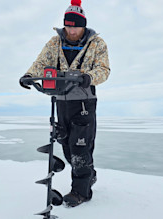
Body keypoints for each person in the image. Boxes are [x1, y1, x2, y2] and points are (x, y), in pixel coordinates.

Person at [19, 0, 110, 207]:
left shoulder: (96, 43)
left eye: (75, 26)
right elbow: (41, 62)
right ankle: (89, 175)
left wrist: (89, 77)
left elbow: (104, 70)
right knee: (67, 146)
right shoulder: (54, 42)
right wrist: (28, 75)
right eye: (68, 26)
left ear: (83, 25)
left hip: (84, 102)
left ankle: (81, 192)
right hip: (61, 101)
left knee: (80, 148)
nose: (71, 30)